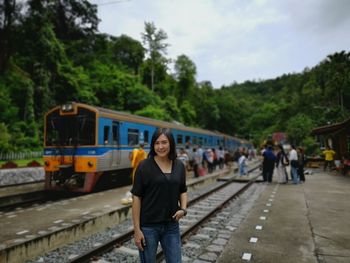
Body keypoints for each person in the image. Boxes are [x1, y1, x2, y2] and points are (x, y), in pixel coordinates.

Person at [131, 128, 188, 263]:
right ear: (153, 145)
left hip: (171, 226)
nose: (160, 147)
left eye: (164, 142)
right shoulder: (144, 166)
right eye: (157, 143)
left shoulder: (179, 165)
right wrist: (137, 230)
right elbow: (136, 197)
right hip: (148, 227)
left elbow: (183, 190)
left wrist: (183, 209)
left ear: (171, 144)